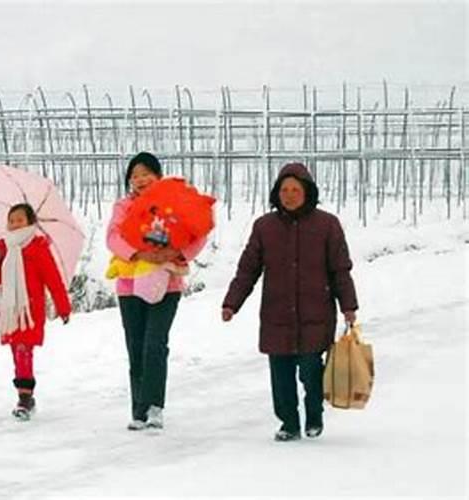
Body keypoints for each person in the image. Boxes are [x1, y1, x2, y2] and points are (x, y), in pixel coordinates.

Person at [221, 162, 358, 441]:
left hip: (315, 314)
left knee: (311, 370)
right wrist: (231, 303)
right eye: (284, 189)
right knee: (280, 375)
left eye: (296, 189)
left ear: (307, 191)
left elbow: (340, 270)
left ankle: (314, 414)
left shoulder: (327, 225)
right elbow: (248, 270)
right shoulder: (264, 227)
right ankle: (289, 423)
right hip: (277, 315)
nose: (290, 194)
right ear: (276, 193)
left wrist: (348, 306)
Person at [107, 152, 207, 431]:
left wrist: (179, 253)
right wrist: (138, 253)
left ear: (158, 176)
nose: (140, 180)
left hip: (168, 282)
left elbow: (198, 232)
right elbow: (113, 237)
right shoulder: (123, 206)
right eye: (134, 175)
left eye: (145, 174)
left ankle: (154, 406)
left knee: (155, 343)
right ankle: (138, 410)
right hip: (130, 285)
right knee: (136, 346)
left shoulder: (173, 203)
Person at [0, 203, 71, 420]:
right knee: (16, 352)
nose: (15, 224)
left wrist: (63, 307)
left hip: (30, 311)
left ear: (31, 222)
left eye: (20, 220)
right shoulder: (3, 247)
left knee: (24, 350)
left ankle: (25, 398)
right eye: (11, 220)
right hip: (9, 311)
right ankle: (24, 394)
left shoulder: (38, 248)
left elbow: (53, 279)